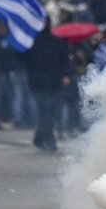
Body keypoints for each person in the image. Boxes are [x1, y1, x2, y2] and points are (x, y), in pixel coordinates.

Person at [25, 19, 71, 152]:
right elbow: (25, 61)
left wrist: (66, 75)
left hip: (54, 83)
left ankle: (39, 138)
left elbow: (63, 59)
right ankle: (50, 141)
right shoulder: (31, 41)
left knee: (51, 112)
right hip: (38, 83)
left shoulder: (55, 41)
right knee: (45, 112)